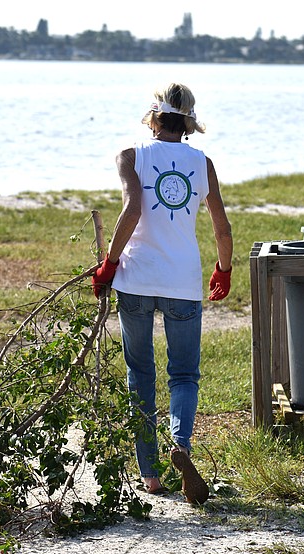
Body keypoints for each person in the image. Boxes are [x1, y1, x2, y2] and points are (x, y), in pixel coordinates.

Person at [91, 83, 233, 504]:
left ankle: (150, 476)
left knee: (141, 374)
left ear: (153, 117)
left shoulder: (131, 156)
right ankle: (181, 446)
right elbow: (221, 226)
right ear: (188, 122)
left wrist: (109, 264)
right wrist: (223, 269)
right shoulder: (201, 162)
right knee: (184, 375)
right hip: (182, 282)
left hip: (136, 280)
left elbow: (133, 210)